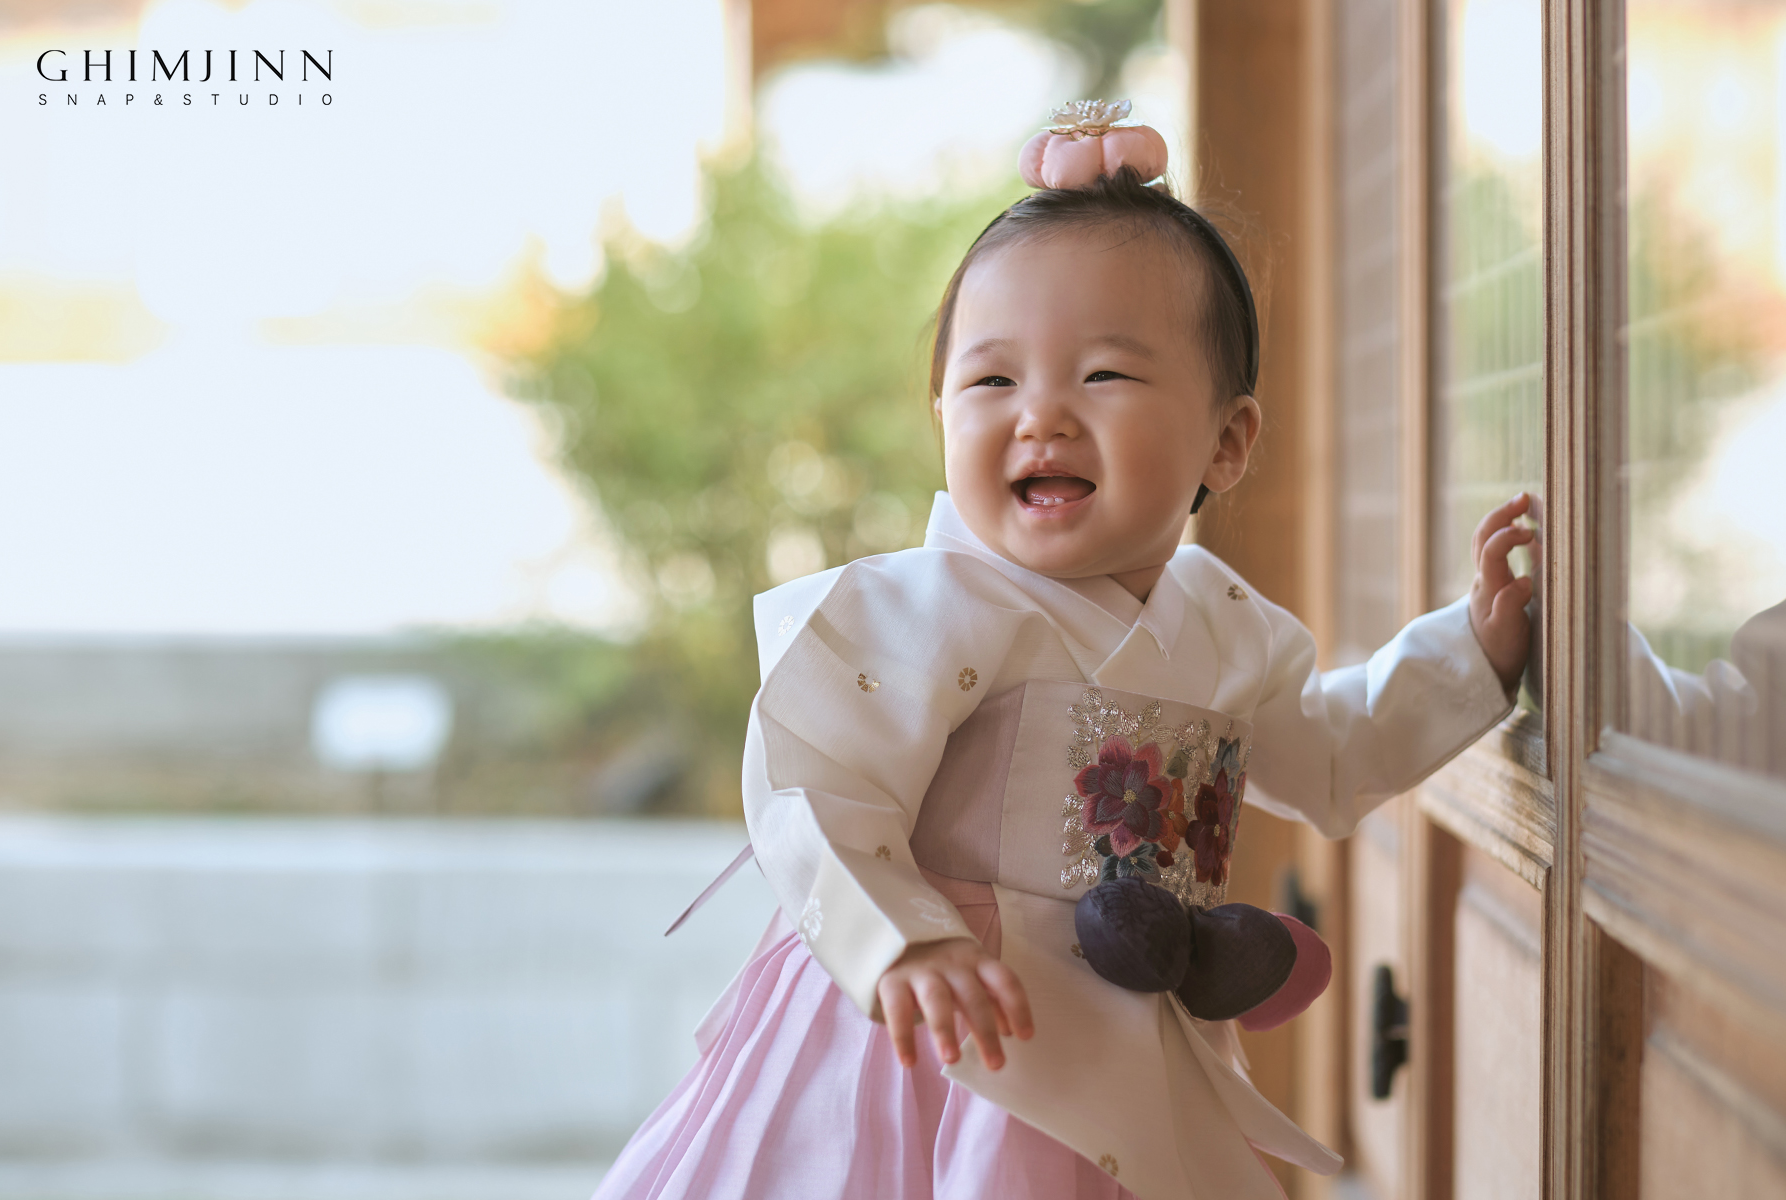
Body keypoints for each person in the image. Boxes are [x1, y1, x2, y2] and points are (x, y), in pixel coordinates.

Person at [594, 103, 1534, 1200]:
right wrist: (903, 940)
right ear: (941, 415)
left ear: (1227, 442)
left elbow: (1331, 751)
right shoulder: (928, 609)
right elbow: (818, 778)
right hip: (944, 1028)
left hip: (1126, 1040)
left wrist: (1474, 653)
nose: (1040, 416)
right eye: (993, 382)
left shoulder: (1226, 625)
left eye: (1104, 377)